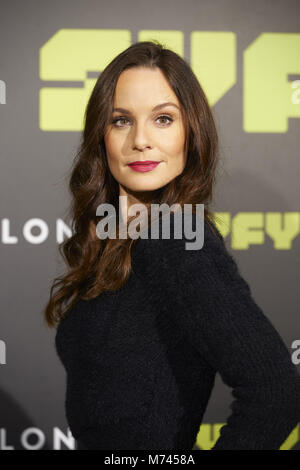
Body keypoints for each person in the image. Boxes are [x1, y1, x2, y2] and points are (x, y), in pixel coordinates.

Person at [44, 41, 300, 450]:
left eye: (163, 119)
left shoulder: (175, 236)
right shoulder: (115, 239)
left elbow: (275, 391)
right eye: (121, 121)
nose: (141, 140)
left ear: (191, 132)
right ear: (101, 135)